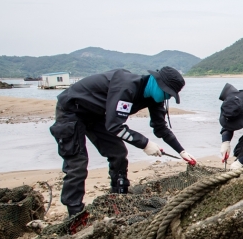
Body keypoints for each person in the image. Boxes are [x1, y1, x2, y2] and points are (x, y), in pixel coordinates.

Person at [50, 67, 196, 217]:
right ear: (156, 82)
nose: (168, 97)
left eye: (170, 95)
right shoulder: (127, 86)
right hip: (72, 110)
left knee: (118, 153)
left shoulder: (155, 98)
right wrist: (145, 144)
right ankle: (75, 213)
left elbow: (160, 128)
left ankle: (120, 198)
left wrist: (181, 151)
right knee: (77, 163)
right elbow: (114, 126)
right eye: (167, 92)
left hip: (98, 116)